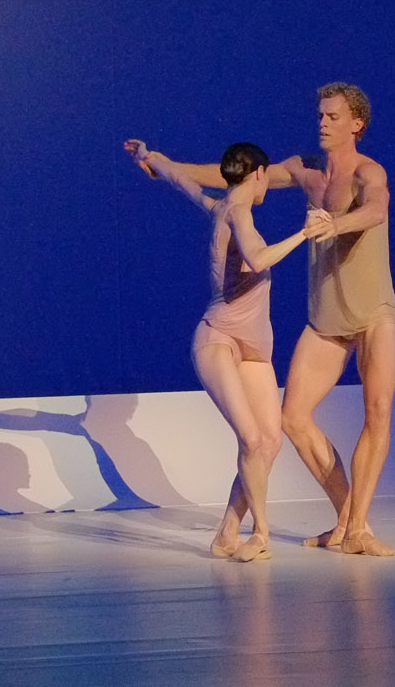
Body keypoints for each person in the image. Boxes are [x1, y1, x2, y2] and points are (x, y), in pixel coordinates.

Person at [162, 82, 395, 556]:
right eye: (320, 115)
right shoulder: (305, 171)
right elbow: (235, 177)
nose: (323, 122)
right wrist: (168, 166)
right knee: (292, 418)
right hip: (326, 318)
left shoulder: (368, 172)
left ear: (357, 123)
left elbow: (377, 208)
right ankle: (348, 521)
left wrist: (338, 223)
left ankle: (357, 529)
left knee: (377, 412)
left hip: (374, 311)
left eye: (333, 116)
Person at [124, 138, 326, 561]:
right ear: (256, 175)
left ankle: (226, 534)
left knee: (269, 442)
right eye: (265, 177)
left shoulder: (220, 206)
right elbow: (257, 259)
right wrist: (304, 234)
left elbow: (184, 184)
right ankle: (261, 534)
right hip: (218, 339)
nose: (266, 184)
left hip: (254, 348)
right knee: (253, 439)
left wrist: (153, 158)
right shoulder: (238, 213)